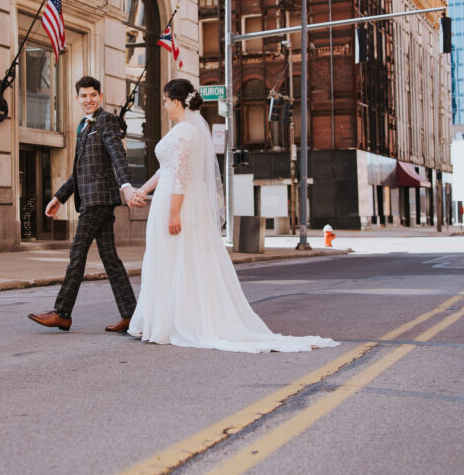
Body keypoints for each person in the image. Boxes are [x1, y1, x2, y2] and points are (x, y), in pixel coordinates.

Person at [127, 79, 339, 353]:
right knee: (170, 259)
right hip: (170, 199)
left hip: (177, 203)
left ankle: (175, 321)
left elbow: (180, 177)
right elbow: (165, 170)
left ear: (177, 102)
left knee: (176, 259)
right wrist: (142, 190)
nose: (165, 105)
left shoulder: (184, 133)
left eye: (166, 100)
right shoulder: (185, 130)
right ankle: (162, 319)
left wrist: (174, 213)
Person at [28, 76, 144, 333]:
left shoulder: (106, 120)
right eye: (83, 96)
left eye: (93, 95)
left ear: (100, 96)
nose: (88, 100)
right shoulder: (84, 126)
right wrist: (59, 196)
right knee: (110, 258)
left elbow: (117, 154)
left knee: (77, 253)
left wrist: (126, 186)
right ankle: (131, 315)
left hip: (99, 200)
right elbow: (79, 172)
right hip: (94, 199)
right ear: (77, 98)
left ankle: (62, 313)